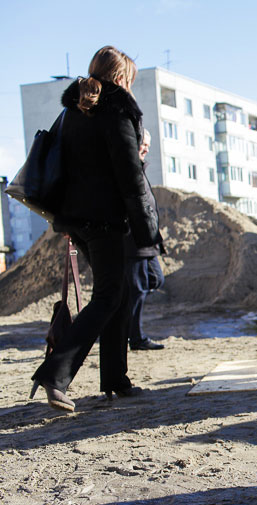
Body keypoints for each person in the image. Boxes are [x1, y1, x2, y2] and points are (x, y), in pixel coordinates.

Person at [31, 45, 161, 412]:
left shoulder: (74, 111)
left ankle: (115, 379)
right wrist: (145, 226)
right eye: (130, 80)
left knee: (114, 295)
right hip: (105, 218)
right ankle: (55, 374)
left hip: (77, 218)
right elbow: (128, 176)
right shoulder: (117, 110)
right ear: (121, 79)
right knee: (108, 295)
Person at [125, 129, 165, 351]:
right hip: (134, 241)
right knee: (137, 289)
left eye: (148, 144)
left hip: (148, 242)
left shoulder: (139, 169)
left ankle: (127, 321)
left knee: (155, 280)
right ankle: (135, 337)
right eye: (143, 143)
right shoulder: (128, 168)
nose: (146, 148)